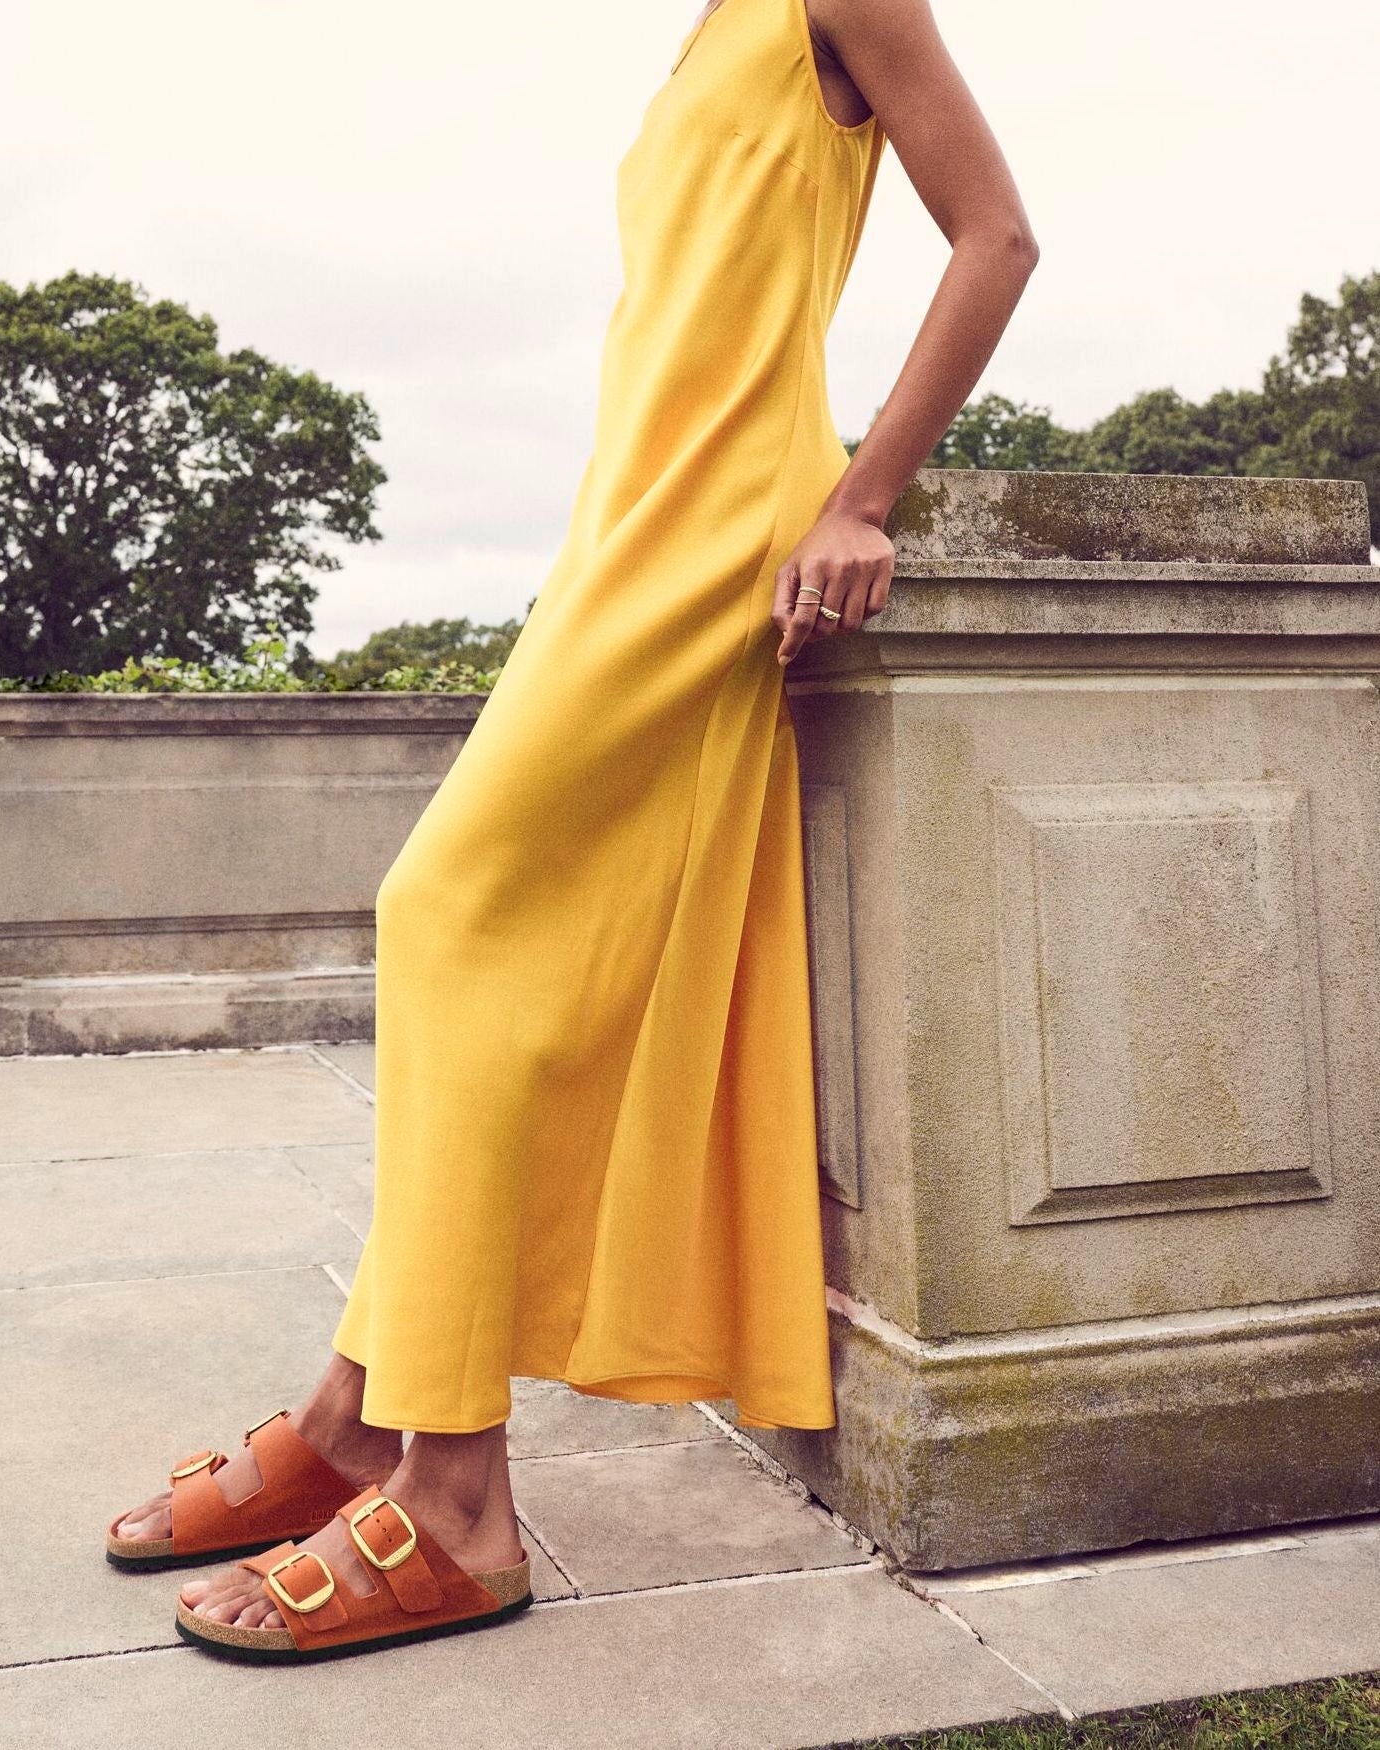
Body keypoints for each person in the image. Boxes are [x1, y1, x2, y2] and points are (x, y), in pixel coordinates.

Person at [108, 0, 1037, 1663]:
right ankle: (359, 1411)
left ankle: (451, 1496)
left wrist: (860, 497)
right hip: (628, 523)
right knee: (464, 926)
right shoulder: (704, 31)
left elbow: (997, 238)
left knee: (444, 909)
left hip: (725, 525)